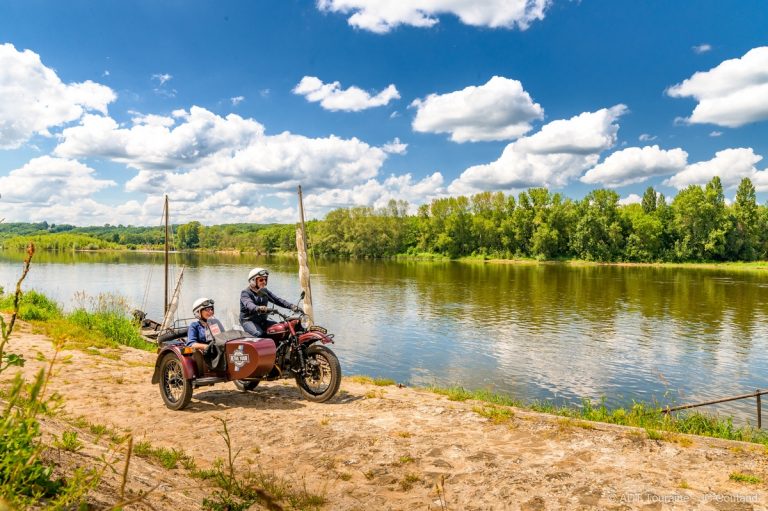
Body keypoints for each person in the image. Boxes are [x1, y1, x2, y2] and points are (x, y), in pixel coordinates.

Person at [240, 267, 299, 337]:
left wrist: (292, 306)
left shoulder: (264, 291)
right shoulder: (245, 293)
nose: (264, 282)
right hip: (249, 321)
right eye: (261, 280)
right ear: (253, 281)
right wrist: (259, 308)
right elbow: (249, 305)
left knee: (281, 329)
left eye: (265, 279)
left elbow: (278, 300)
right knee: (259, 334)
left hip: (262, 321)